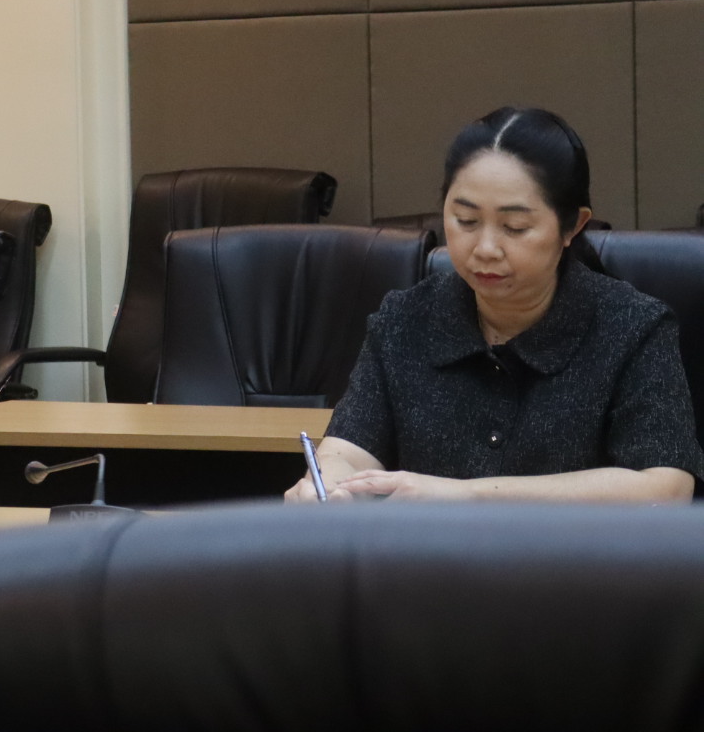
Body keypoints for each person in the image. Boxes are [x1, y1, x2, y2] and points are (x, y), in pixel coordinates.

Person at [288, 106, 704, 504]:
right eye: (466, 221)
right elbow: (349, 450)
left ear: (572, 226)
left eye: (515, 227)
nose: (485, 248)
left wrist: (464, 496)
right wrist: (328, 484)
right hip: (428, 557)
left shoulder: (632, 327)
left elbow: (665, 488)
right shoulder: (404, 319)